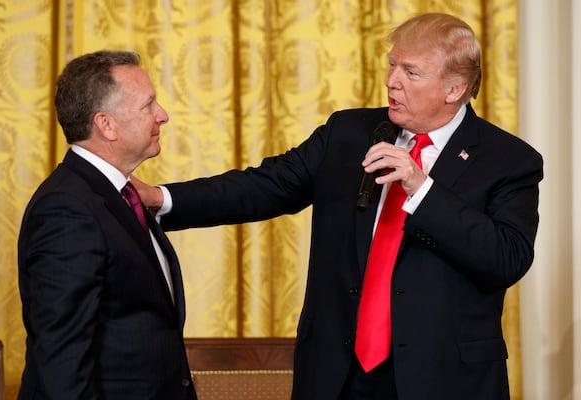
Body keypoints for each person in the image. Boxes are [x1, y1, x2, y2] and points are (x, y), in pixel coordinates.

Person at [136, 13, 543, 399]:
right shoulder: (349, 132)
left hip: (443, 378)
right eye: (391, 65)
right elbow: (264, 186)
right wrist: (161, 198)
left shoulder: (507, 160)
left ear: (454, 89)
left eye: (410, 72)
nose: (391, 82)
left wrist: (422, 189)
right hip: (338, 374)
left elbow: (507, 257)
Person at [17, 50, 197, 400]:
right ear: (106, 124)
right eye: (148, 105)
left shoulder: (120, 196)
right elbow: (62, 360)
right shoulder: (66, 210)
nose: (163, 115)